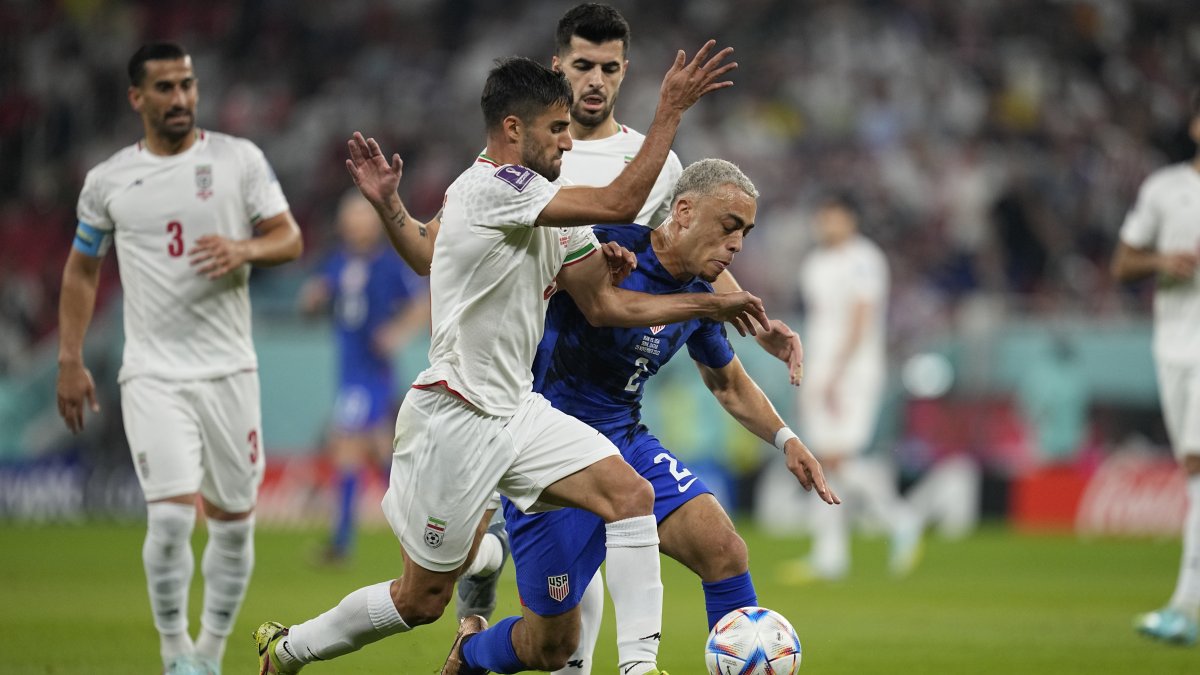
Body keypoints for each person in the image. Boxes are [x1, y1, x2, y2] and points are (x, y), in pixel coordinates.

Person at [256, 47, 764, 675]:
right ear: (513, 130)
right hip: (456, 416)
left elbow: (603, 307)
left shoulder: (546, 204)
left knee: (629, 495)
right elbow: (615, 205)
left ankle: (636, 667)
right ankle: (289, 649)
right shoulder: (490, 189)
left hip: (521, 412)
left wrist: (685, 299)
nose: (568, 143)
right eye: (557, 130)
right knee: (419, 600)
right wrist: (670, 111)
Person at [474, 158, 837, 675]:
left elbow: (727, 383)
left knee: (724, 550)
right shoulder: (607, 246)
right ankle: (469, 654)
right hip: (549, 452)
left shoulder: (702, 297)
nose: (737, 245)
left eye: (745, 234)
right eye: (728, 227)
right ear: (684, 211)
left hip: (625, 440)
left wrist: (786, 440)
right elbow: (569, 296)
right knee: (550, 646)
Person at [55, 42, 303, 675]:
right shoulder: (108, 181)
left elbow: (290, 237)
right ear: (137, 97)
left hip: (229, 372)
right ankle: (174, 657)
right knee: (168, 522)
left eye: (187, 85)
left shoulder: (238, 159)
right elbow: (83, 271)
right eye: (164, 87)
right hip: (152, 374)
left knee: (233, 526)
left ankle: (210, 657)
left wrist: (244, 250)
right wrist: (69, 358)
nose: (180, 98)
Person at [784, 193, 922, 583]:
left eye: (833, 217)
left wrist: (836, 374)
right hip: (819, 367)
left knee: (838, 457)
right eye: (822, 217)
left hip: (853, 371)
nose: (826, 224)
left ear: (850, 219)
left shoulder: (864, 258)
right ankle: (830, 555)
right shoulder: (814, 264)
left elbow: (862, 320)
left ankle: (900, 519)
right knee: (821, 461)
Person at [1111, 91, 1200, 647]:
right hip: (1173, 343)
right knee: (1194, 469)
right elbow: (1123, 263)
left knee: (1198, 465)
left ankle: (1184, 605)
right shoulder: (1165, 188)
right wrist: (1163, 261)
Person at [299, 190, 429, 565]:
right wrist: (313, 299)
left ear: (374, 221)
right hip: (348, 369)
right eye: (350, 216)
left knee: (346, 445)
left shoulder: (390, 263)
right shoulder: (337, 263)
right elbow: (317, 298)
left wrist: (398, 332)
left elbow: (423, 303)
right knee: (375, 449)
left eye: (362, 215)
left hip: (370, 373)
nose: (356, 223)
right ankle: (420, 529)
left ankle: (342, 543)